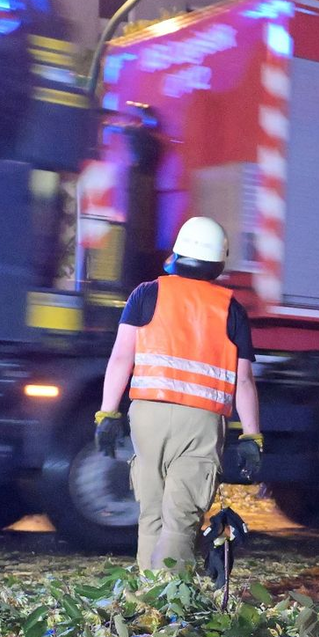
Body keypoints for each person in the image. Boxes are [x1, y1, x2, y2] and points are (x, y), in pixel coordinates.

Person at [94, 215, 263, 573]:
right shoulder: (231, 308)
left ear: (178, 255)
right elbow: (244, 380)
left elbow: (121, 357)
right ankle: (168, 608)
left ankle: (146, 600)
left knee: (151, 513)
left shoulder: (146, 293)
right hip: (200, 422)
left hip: (148, 416)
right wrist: (251, 435)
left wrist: (107, 413)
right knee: (180, 519)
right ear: (219, 262)